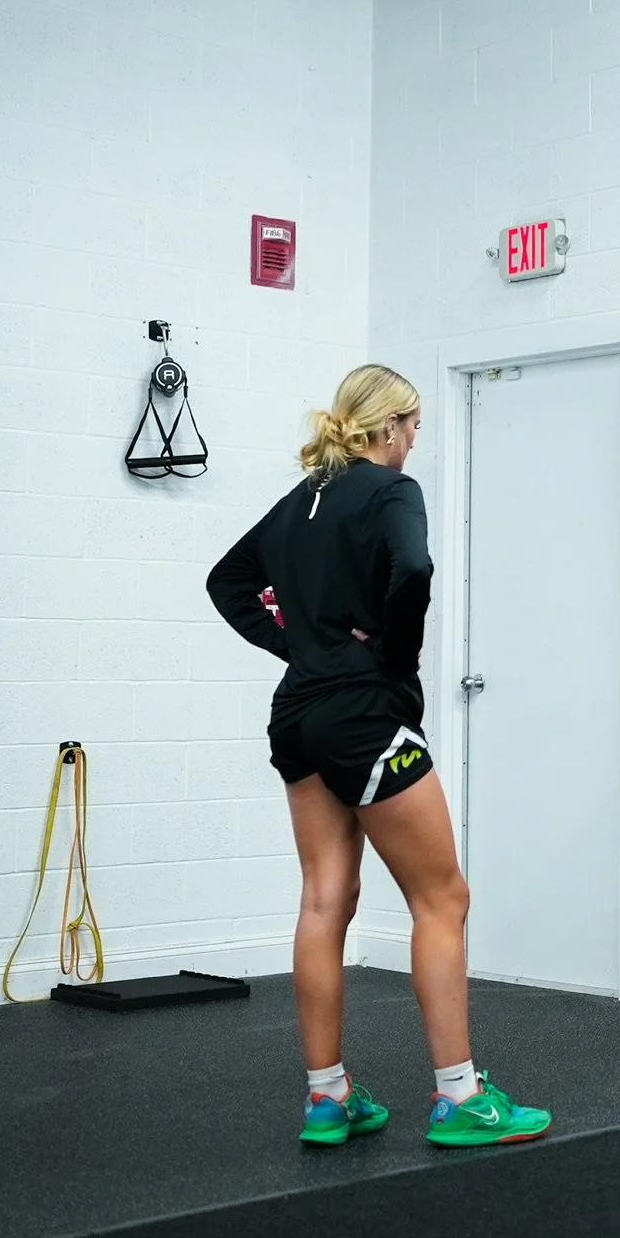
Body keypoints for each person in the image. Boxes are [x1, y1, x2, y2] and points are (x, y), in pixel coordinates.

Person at [206, 364, 551, 1149]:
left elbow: (227, 582)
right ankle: (460, 1097)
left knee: (325, 899)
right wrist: (392, 654)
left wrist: (294, 644)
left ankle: (328, 1100)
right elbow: (417, 569)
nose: (414, 440)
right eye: (414, 426)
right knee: (443, 899)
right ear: (388, 426)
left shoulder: (300, 504)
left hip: (297, 715)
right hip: (364, 714)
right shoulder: (393, 492)